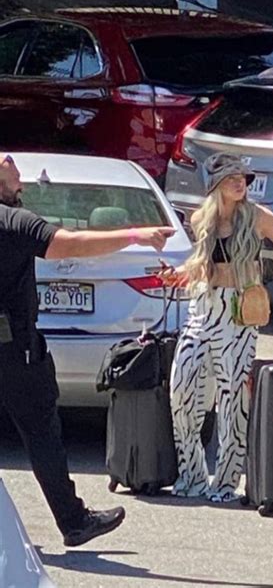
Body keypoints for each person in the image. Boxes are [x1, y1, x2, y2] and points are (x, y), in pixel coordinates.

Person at [0, 153, 175, 546]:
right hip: (14, 352)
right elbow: (70, 244)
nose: (22, 185)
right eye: (14, 177)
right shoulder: (12, 220)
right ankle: (74, 521)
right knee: (42, 434)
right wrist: (135, 235)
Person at [158, 152, 273, 503]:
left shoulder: (258, 217)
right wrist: (177, 275)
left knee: (233, 397)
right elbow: (204, 265)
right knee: (181, 388)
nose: (240, 183)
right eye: (232, 178)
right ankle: (193, 475)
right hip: (203, 307)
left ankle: (227, 483)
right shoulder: (202, 218)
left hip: (239, 312)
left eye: (243, 178)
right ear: (215, 184)